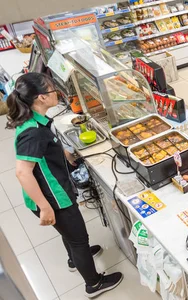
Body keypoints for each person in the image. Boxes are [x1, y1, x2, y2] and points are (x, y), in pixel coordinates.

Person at [6, 73, 123, 298]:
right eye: (52, 90)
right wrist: (45, 207)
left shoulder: (35, 120)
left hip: (53, 191)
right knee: (79, 239)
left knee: (69, 234)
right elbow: (22, 172)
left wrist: (66, 156)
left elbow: (43, 155)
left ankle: (74, 258)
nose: (56, 94)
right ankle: (94, 284)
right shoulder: (32, 132)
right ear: (40, 97)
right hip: (53, 198)